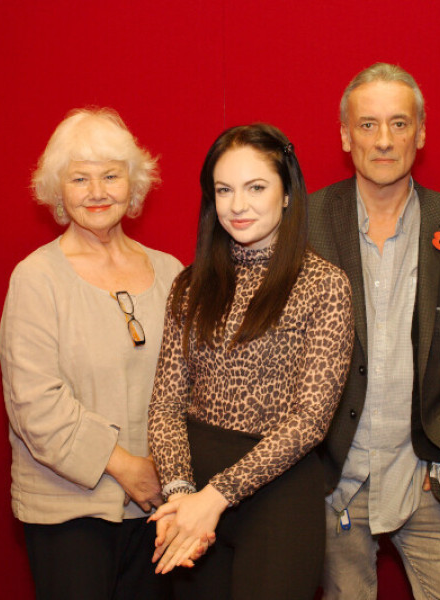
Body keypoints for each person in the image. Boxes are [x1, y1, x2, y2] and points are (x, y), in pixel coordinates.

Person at [307, 62, 440, 600]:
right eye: (367, 125)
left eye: (399, 123)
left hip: (432, 481)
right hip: (333, 481)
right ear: (345, 135)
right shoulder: (302, 228)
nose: (384, 140)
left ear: (421, 132)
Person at [147, 123, 354, 599]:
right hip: (193, 485)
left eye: (255, 187)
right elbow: (165, 405)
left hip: (279, 493)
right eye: (224, 190)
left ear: (287, 194)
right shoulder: (189, 284)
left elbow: (310, 421)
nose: (237, 205)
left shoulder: (325, 286)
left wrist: (214, 499)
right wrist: (180, 496)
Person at [0, 108, 182, 600]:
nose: (97, 191)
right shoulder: (36, 278)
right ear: (58, 191)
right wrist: (128, 467)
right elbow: (35, 405)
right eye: (79, 178)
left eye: (110, 175)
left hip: (162, 511)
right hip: (68, 512)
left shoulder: (171, 274)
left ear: (134, 183)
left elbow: (195, 387)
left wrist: (174, 476)